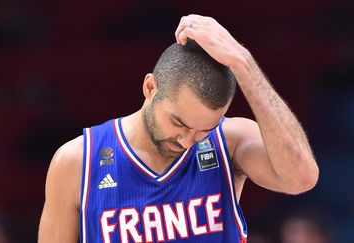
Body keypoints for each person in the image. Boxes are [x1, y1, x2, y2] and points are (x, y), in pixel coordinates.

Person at [38, 14, 319, 243]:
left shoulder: (228, 141)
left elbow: (301, 177)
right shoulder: (78, 161)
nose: (187, 141)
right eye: (178, 123)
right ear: (150, 87)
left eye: (203, 130)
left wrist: (242, 63)